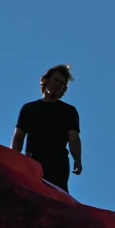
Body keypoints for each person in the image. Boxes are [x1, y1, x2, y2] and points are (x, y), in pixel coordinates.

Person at [10, 64, 82, 192]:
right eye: (56, 80)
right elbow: (19, 136)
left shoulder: (69, 111)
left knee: (55, 195)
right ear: (46, 81)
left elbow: (74, 138)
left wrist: (77, 159)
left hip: (57, 163)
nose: (58, 84)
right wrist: (14, 157)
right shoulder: (29, 109)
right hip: (32, 161)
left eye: (62, 83)